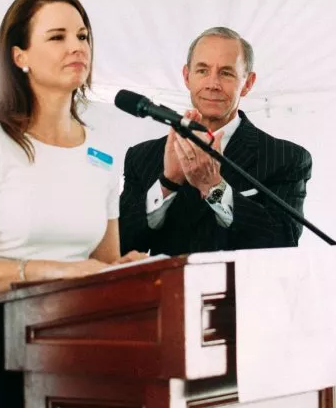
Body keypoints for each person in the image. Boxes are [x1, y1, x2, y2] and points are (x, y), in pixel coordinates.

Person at [0, 0, 144, 408]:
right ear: (19, 56)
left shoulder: (102, 149)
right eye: (57, 36)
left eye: (83, 35)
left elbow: (102, 262)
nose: (77, 47)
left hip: (75, 350)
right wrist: (52, 270)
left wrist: (128, 269)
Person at [119, 27, 312, 256]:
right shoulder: (142, 157)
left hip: (242, 291)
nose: (213, 84)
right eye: (202, 70)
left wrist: (214, 187)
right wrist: (167, 184)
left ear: (248, 83)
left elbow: (284, 241)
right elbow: (120, 246)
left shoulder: (286, 158)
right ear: (186, 76)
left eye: (226, 73)